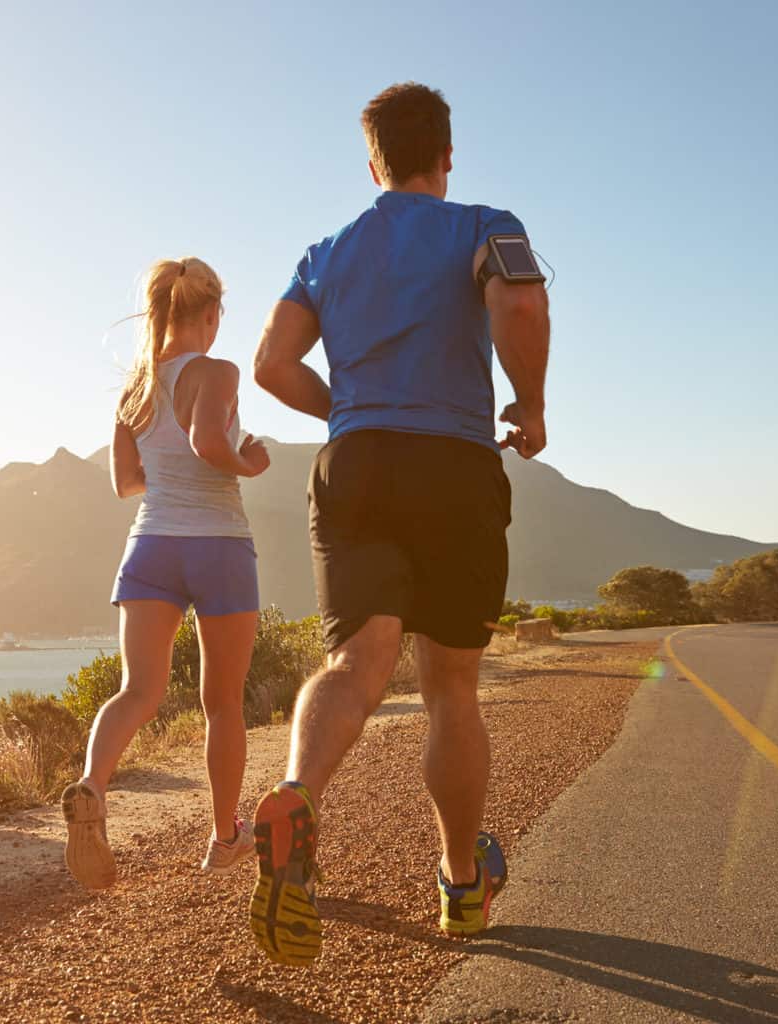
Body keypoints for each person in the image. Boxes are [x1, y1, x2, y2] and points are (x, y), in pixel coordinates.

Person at [245, 83, 551, 965]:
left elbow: (271, 364)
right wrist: (529, 406)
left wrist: (351, 409)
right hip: (454, 464)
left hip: (357, 465)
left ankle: (297, 795)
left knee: (353, 665)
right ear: (447, 154)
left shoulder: (326, 251)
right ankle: (461, 887)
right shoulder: (484, 226)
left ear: (373, 162)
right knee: (451, 688)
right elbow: (521, 305)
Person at [61, 257, 272, 890]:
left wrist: (175, 471)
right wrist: (248, 461)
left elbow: (128, 483)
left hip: (150, 546)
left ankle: (92, 785)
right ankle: (225, 838)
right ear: (210, 315)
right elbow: (209, 442)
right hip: (219, 547)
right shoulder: (218, 370)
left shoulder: (135, 389)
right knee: (222, 704)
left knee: (138, 690)